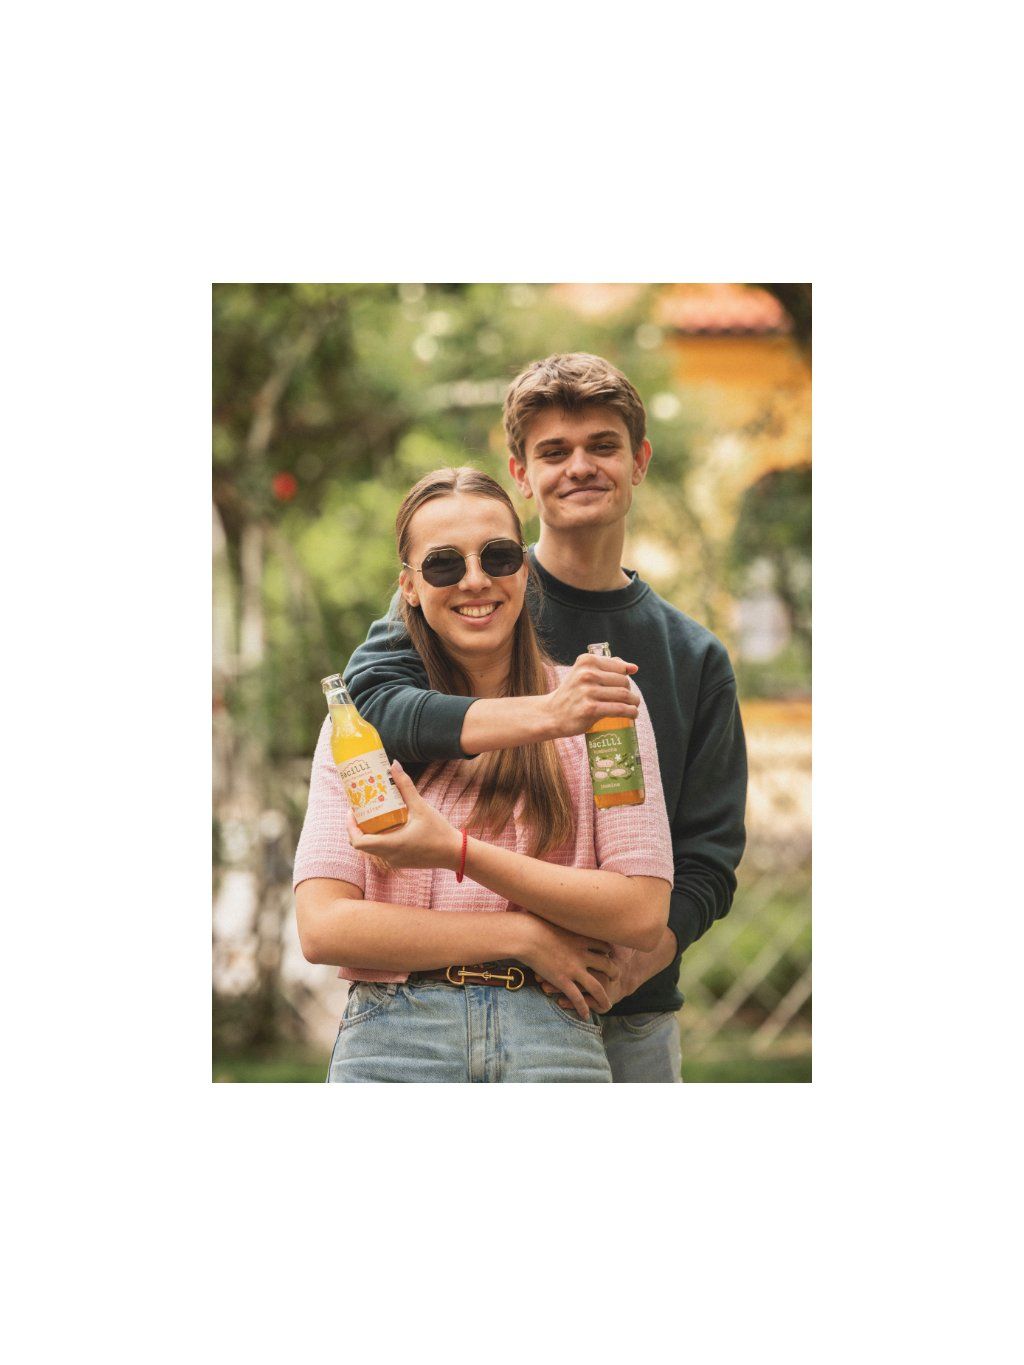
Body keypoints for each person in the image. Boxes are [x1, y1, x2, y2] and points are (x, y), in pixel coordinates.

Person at [344, 353, 748, 1083]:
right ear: (522, 475)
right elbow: (371, 704)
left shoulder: (693, 655)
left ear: (639, 461)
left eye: (603, 446)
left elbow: (710, 853)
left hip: (628, 1007)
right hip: (475, 996)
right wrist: (552, 713)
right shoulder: (470, 597)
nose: (580, 467)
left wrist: (640, 961)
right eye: (554, 452)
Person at [293, 466, 674, 1083]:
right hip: (394, 1041)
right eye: (443, 564)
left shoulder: (600, 705)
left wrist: (456, 851)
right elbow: (324, 927)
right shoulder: (360, 726)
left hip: (550, 1035)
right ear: (409, 587)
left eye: (497, 555)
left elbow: (640, 913)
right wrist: (520, 935)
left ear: (524, 568)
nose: (475, 580)